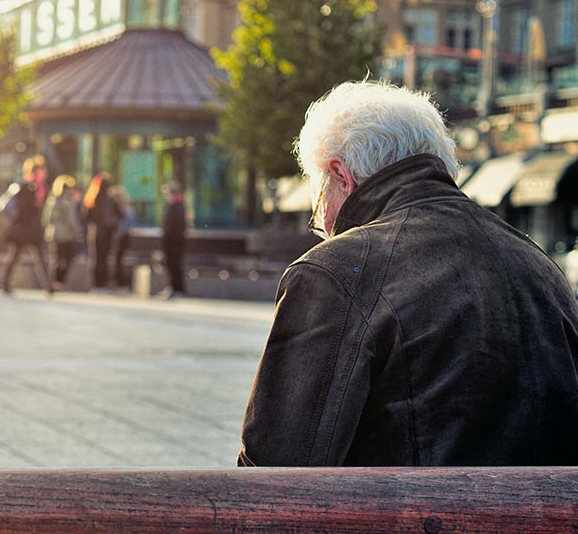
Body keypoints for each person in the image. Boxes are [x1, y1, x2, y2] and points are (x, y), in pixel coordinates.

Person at [239, 80, 578, 467]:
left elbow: (276, 467)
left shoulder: (335, 271)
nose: (324, 225)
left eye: (318, 204)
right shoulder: (539, 265)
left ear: (340, 176)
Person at [0, 158, 53, 296]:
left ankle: (48, 286)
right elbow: (23, 208)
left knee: (41, 257)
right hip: (23, 229)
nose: (44, 173)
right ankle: (4, 283)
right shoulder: (26, 186)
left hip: (33, 228)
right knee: (15, 256)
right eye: (42, 170)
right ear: (36, 171)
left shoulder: (40, 187)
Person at [83, 172, 122, 291]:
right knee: (104, 259)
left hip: (96, 233)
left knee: (97, 259)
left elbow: (86, 217)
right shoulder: (110, 199)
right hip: (107, 233)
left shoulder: (92, 198)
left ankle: (97, 284)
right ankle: (103, 284)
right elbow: (121, 214)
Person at [43, 175, 81, 291]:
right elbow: (71, 219)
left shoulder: (51, 200)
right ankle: (59, 282)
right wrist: (77, 231)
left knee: (57, 258)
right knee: (66, 258)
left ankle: (54, 282)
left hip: (53, 234)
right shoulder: (66, 201)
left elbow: (45, 219)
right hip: (66, 234)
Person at [161, 181, 186, 298]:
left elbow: (178, 227)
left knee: (174, 265)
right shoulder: (174, 207)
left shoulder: (178, 207)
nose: (167, 196)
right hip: (170, 241)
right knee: (171, 265)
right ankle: (173, 288)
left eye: (168, 194)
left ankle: (177, 289)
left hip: (174, 242)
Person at [110, 185, 134, 290]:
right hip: (122, 237)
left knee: (120, 260)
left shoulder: (125, 210)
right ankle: (118, 283)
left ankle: (122, 283)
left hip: (123, 238)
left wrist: (117, 234)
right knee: (117, 260)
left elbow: (125, 225)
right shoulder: (122, 209)